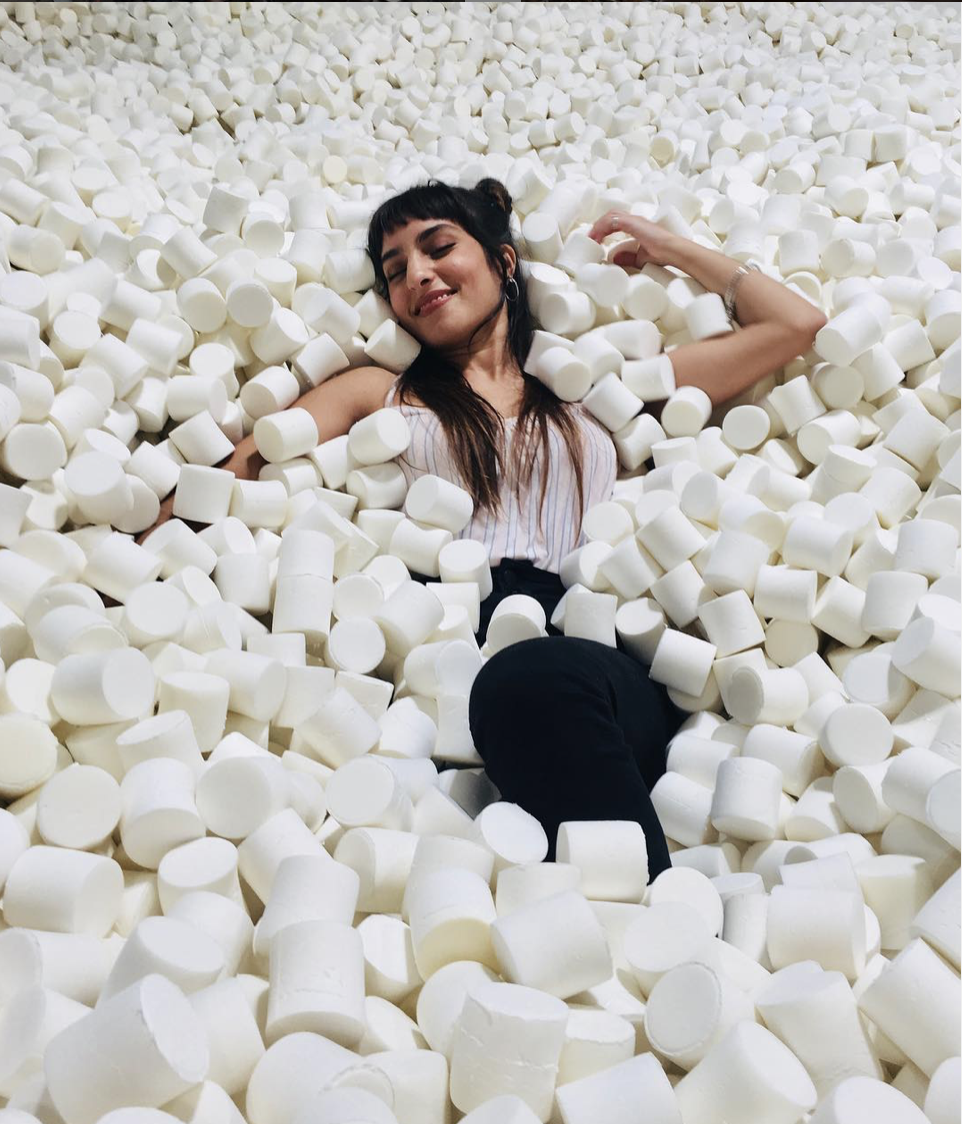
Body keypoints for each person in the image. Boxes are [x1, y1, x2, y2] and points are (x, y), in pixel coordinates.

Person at [139, 177, 827, 879]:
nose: (419, 276)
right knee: (510, 693)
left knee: (536, 678)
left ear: (504, 261)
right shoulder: (382, 392)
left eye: (439, 248)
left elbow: (794, 326)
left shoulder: (596, 389)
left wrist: (665, 246)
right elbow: (235, 472)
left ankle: (657, 923)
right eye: (395, 271)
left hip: (597, 645)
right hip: (449, 657)